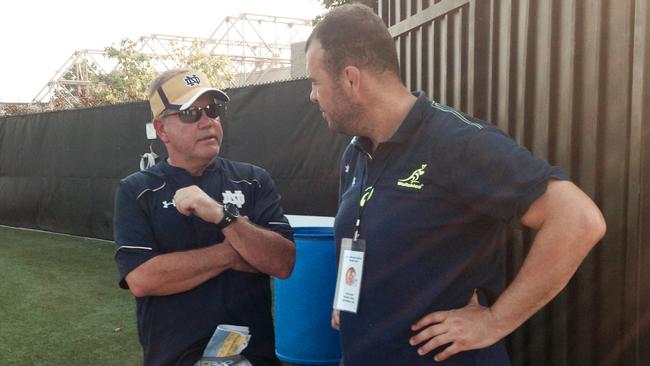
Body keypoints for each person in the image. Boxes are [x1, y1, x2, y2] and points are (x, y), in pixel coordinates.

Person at [305, 4, 606, 366]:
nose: (312, 96)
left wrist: (495, 321)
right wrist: (347, 297)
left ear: (352, 79)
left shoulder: (457, 142)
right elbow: (366, 237)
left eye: (315, 83)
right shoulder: (356, 154)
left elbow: (578, 219)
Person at [113, 68, 296, 366]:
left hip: (253, 358)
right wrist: (233, 252)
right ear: (161, 130)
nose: (207, 122)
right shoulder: (137, 190)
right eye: (190, 114)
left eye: (212, 110)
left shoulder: (253, 180)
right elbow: (143, 278)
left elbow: (283, 262)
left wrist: (222, 217)